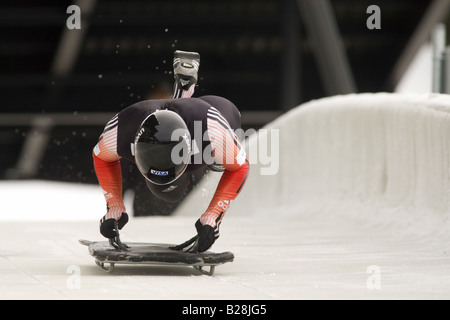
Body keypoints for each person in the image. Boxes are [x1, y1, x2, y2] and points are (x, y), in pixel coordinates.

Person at [92, 51, 249, 252]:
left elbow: (240, 167)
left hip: (206, 120)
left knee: (219, 155)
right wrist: (114, 206)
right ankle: (183, 92)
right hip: (182, 124)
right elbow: (101, 157)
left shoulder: (210, 131)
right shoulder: (124, 128)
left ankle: (183, 93)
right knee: (170, 192)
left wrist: (214, 215)